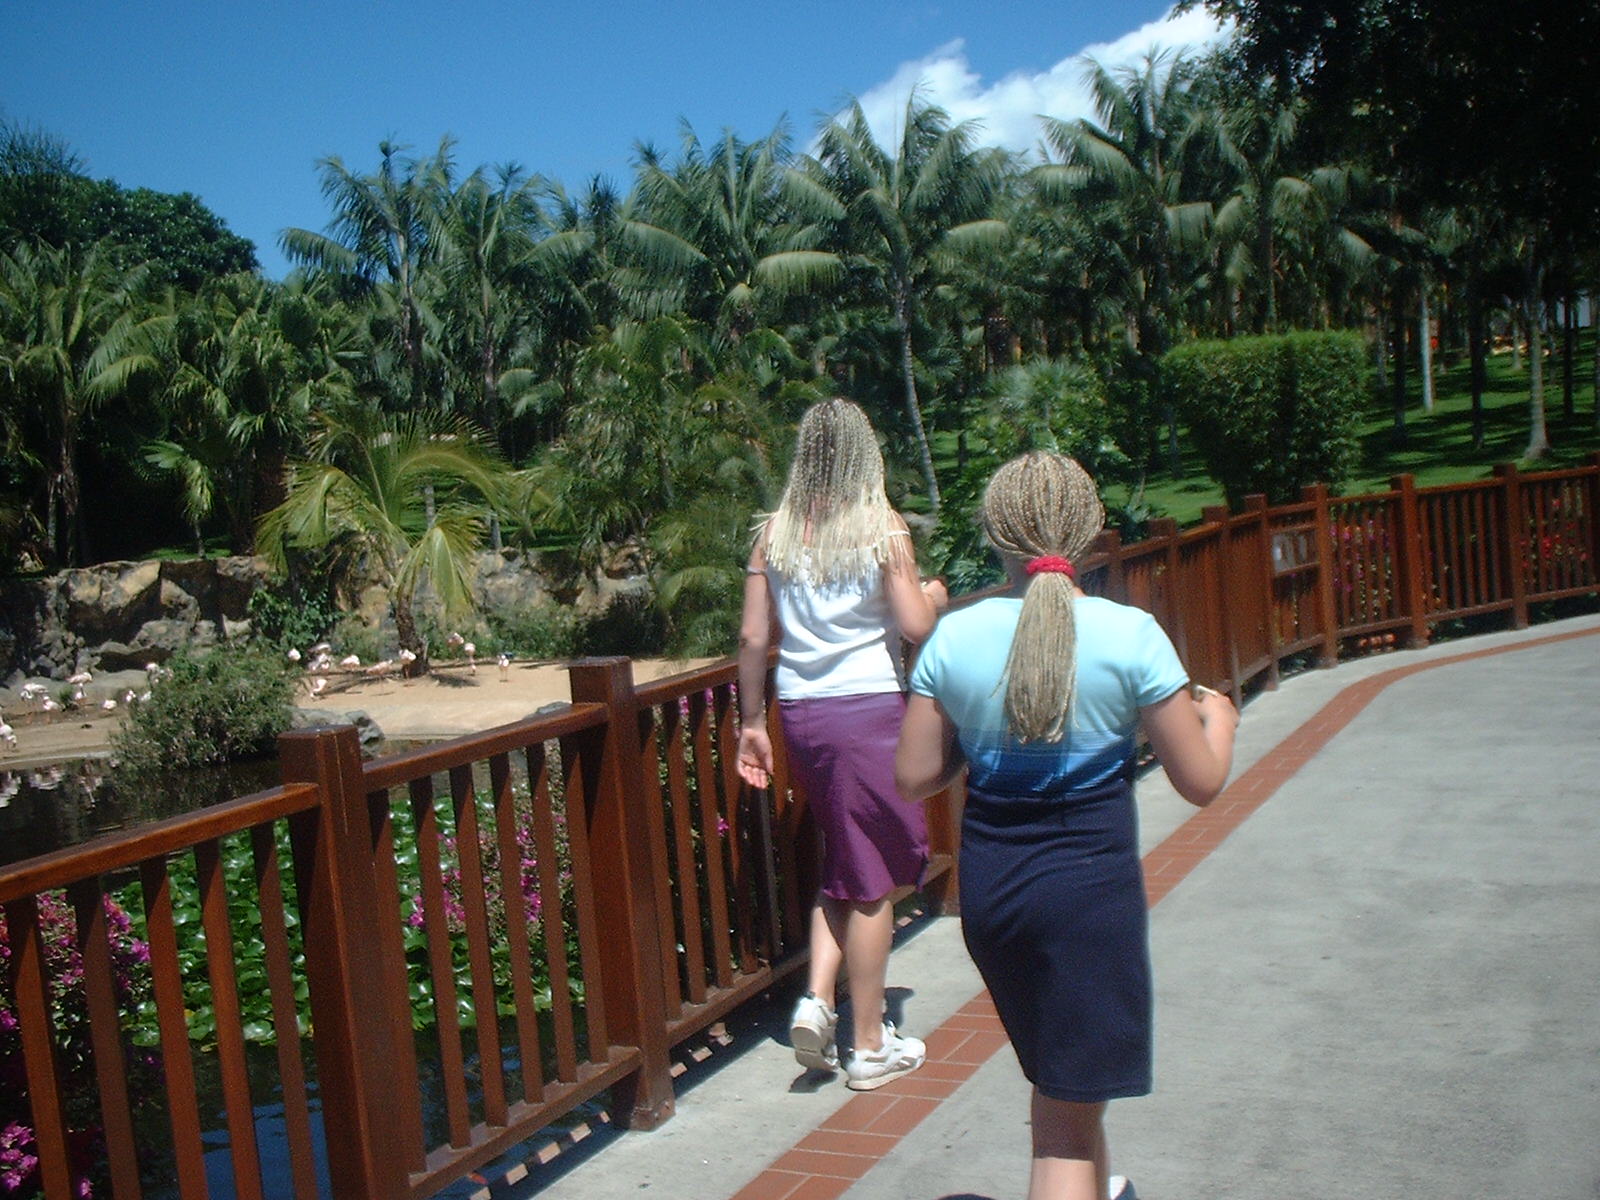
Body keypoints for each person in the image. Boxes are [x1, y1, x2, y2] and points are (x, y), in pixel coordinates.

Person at [895, 451, 1238, 1200]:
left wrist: (981, 734)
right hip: (1089, 902)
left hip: (996, 897)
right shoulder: (1131, 634)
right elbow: (1201, 781)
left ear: (994, 535)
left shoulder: (953, 637)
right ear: (1088, 531)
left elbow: (916, 775)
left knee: (1065, 1091)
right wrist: (1222, 720)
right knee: (1063, 1129)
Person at [735, 397, 947, 1091]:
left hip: (803, 713)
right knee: (874, 883)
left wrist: (751, 722)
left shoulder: (774, 533)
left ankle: (818, 999)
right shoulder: (881, 527)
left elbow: (753, 638)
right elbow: (916, 625)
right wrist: (936, 594)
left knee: (848, 858)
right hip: (869, 712)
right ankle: (868, 1046)